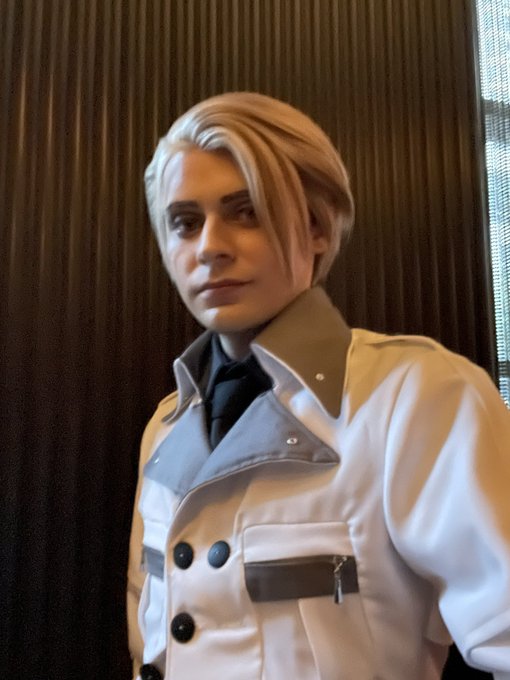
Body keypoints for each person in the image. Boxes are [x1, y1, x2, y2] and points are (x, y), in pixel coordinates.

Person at [127, 92, 510, 680]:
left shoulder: (416, 398)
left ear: (316, 229)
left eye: (246, 211)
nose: (209, 247)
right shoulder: (166, 426)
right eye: (185, 223)